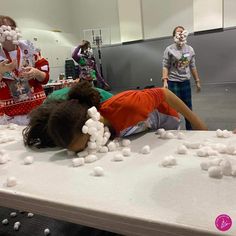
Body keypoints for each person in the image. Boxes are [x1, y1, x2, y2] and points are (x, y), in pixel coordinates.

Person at [23, 81, 207, 152]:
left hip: (166, 121)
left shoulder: (127, 106)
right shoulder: (99, 129)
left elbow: (165, 93)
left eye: (87, 144)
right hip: (142, 130)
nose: (89, 149)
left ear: (92, 125)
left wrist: (197, 122)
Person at [0, 15, 49, 125]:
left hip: (37, 113)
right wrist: (1, 73)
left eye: (12, 27)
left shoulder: (29, 49)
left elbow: (45, 77)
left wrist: (36, 72)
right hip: (9, 118)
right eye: (4, 28)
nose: (9, 31)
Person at [162, 26, 201, 130]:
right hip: (173, 82)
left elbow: (193, 66)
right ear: (174, 36)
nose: (180, 35)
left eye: (182, 32)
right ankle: (174, 130)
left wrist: (197, 81)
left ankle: (190, 130)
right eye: (178, 33)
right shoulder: (169, 49)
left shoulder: (190, 49)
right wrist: (165, 81)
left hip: (185, 82)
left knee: (188, 108)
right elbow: (165, 65)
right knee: (173, 108)